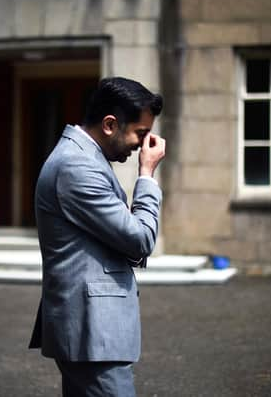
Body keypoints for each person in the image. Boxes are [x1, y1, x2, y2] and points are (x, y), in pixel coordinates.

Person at [28, 77, 166, 396]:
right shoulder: (77, 166)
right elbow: (140, 239)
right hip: (93, 335)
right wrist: (146, 176)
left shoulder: (83, 158)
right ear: (109, 124)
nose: (142, 145)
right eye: (140, 133)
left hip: (92, 334)